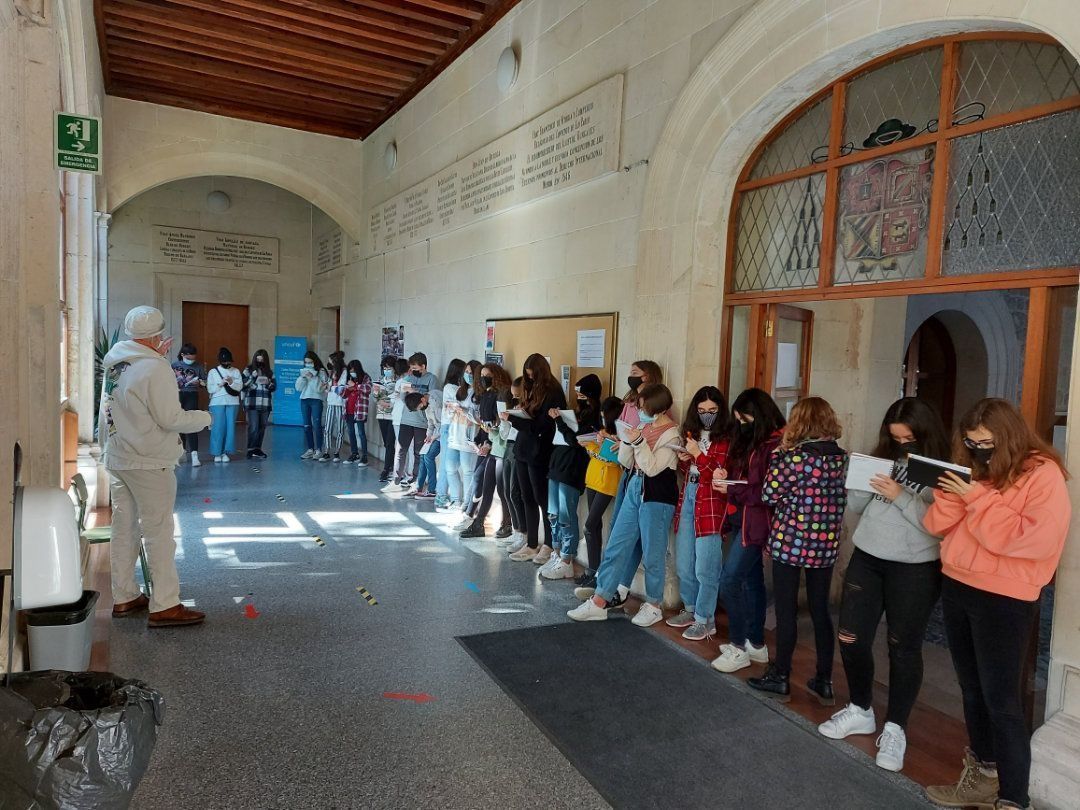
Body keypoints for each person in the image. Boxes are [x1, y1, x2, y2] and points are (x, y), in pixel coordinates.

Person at [923, 398, 1070, 810]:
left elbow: (1031, 541)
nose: (977, 450)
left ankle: (1013, 798)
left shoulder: (1043, 474)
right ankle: (983, 777)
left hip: (1005, 598)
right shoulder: (973, 469)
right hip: (957, 586)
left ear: (1007, 437)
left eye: (985, 443)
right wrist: (951, 492)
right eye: (970, 443)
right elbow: (934, 525)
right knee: (971, 690)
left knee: (1003, 700)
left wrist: (977, 499)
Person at [818, 398, 949, 773]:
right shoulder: (884, 456)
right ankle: (860, 707)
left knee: (902, 646)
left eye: (909, 437)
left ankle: (896, 727)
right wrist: (860, 481)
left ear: (925, 433)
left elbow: (940, 523)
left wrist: (901, 496)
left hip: (916, 566)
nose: (902, 443)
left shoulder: (943, 470)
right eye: (895, 438)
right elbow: (857, 507)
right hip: (868, 556)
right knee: (851, 636)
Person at [99, 305, 209, 627]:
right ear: (159, 336)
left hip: (118, 456)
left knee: (124, 529)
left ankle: (125, 596)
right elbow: (170, 418)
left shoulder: (116, 362)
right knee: (159, 532)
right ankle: (164, 604)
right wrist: (205, 418)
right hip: (148, 461)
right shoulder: (155, 368)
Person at [748, 397, 847, 703]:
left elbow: (769, 493)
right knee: (821, 612)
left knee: (786, 610)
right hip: (825, 545)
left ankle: (780, 676)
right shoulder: (842, 458)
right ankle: (824, 680)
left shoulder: (793, 459)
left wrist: (779, 456)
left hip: (791, 541)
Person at [567, 383, 679, 626]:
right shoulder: (642, 426)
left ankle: (654, 604)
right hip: (633, 487)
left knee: (653, 552)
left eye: (644, 407)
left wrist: (638, 442)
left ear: (658, 408)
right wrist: (628, 441)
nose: (640, 412)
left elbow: (652, 468)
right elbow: (626, 461)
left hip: (657, 496)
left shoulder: (672, 434)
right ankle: (600, 600)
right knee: (617, 543)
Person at [711, 387, 785, 673]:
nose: (741, 425)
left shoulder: (775, 446)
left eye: (745, 419)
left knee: (729, 581)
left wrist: (732, 489)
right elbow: (744, 477)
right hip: (741, 518)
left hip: (757, 523)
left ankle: (739, 645)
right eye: (738, 420)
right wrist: (725, 478)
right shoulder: (751, 440)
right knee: (752, 582)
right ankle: (756, 643)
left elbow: (767, 492)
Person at [667, 386, 731, 641]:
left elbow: (718, 473)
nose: (706, 415)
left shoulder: (726, 438)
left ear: (720, 411)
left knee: (706, 566)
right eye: (702, 410)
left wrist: (697, 456)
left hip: (712, 502)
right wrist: (685, 456)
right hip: (689, 495)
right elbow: (689, 469)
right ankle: (691, 608)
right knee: (684, 561)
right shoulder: (692, 433)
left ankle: (706, 619)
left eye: (712, 411)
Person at [505, 355, 567, 564]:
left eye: (533, 375)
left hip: (540, 451)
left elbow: (542, 426)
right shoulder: (529, 388)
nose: (530, 378)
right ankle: (532, 543)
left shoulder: (553, 391)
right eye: (527, 375)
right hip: (524, 448)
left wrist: (513, 419)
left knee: (543, 499)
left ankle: (549, 543)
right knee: (526, 497)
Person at [540, 374, 602, 580]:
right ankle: (557, 553)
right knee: (553, 513)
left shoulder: (594, 417)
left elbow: (575, 441)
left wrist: (560, 421)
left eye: (582, 394)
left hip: (572, 469)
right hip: (557, 465)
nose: (578, 397)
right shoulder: (576, 413)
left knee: (567, 515)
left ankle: (567, 557)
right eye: (576, 393)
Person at [572, 396, 625, 593]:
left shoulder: (621, 437)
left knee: (589, 526)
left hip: (607, 483)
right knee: (595, 527)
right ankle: (592, 571)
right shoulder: (603, 432)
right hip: (593, 479)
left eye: (605, 416)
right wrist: (592, 444)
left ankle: (596, 571)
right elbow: (595, 453)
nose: (602, 419)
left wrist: (597, 449)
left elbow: (612, 460)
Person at [459, 363, 513, 536]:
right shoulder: (485, 395)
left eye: (487, 375)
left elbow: (501, 423)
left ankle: (507, 523)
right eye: (481, 375)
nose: (483, 378)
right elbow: (485, 423)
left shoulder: (502, 394)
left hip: (500, 447)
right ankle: (478, 523)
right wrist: (482, 441)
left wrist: (489, 440)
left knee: (502, 490)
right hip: (489, 443)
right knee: (487, 484)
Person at [397, 353, 440, 493]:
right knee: (401, 449)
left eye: (416, 368)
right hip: (407, 419)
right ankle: (396, 478)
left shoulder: (432, 379)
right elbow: (404, 398)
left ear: (423, 366)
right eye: (411, 368)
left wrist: (414, 392)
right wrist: (409, 396)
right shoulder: (408, 378)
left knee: (418, 452)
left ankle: (415, 479)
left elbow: (431, 399)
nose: (413, 370)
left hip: (423, 422)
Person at [448, 360, 483, 512]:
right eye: (466, 373)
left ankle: (468, 504)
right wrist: (450, 408)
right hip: (454, 434)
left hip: (469, 438)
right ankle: (455, 499)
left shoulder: (479, 394)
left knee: (468, 471)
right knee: (450, 468)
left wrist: (464, 411)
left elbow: (480, 417)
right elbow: (450, 414)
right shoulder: (460, 391)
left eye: (471, 373)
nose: (468, 376)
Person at [434, 359, 467, 512]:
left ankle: (446, 496)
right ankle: (441, 496)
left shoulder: (454, 387)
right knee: (448, 465)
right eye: (465, 372)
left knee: (451, 465)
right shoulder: (450, 387)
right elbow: (460, 402)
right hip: (449, 427)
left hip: (455, 427)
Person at [501, 377, 529, 552]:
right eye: (514, 397)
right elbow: (505, 434)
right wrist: (505, 420)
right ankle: (516, 528)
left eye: (518, 395)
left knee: (514, 491)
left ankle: (523, 532)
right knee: (506, 491)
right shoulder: (515, 407)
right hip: (509, 446)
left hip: (520, 448)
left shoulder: (529, 410)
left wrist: (517, 418)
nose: (516, 399)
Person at [206, 347, 242, 463]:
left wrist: (231, 382)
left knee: (230, 427)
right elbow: (210, 389)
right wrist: (220, 384)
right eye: (225, 362)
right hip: (217, 402)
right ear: (220, 361)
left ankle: (226, 452)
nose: (227, 364)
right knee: (217, 427)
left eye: (229, 362)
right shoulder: (213, 372)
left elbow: (240, 387)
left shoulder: (236, 371)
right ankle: (217, 452)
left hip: (233, 401)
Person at [172, 343, 206, 466]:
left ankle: (194, 454)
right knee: (179, 423)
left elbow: (205, 382)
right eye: (189, 358)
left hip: (192, 394)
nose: (192, 361)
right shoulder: (174, 366)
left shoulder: (199, 366)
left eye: (193, 358)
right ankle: (181, 452)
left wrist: (200, 383)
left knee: (191, 423)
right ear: (182, 355)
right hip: (178, 395)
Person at [404, 389, 441, 498]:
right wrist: (428, 435)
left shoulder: (436, 403)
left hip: (443, 434)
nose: (421, 409)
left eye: (420, 407)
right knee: (423, 455)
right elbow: (431, 423)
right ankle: (418, 487)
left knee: (429, 456)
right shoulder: (427, 405)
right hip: (435, 434)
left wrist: (433, 437)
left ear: (422, 399)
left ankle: (432, 490)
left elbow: (444, 423)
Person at [383, 357, 412, 490]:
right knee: (406, 449)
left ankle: (400, 475)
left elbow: (397, 398)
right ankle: (404, 475)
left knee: (400, 448)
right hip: (402, 418)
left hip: (397, 417)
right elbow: (404, 398)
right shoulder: (406, 381)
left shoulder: (400, 381)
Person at [242, 349, 275, 460]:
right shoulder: (248, 369)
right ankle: (250, 449)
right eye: (258, 359)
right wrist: (252, 377)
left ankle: (258, 448)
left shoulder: (269, 372)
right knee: (254, 426)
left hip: (265, 403)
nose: (260, 361)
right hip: (252, 403)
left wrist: (269, 383)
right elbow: (243, 386)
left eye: (262, 359)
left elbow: (274, 387)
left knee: (262, 427)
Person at [296, 350, 328, 460]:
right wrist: (303, 378)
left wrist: (313, 377)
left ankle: (318, 449)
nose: (308, 364)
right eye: (306, 362)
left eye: (310, 362)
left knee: (317, 425)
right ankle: (310, 449)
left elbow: (319, 389)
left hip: (316, 400)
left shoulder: (321, 371)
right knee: (306, 425)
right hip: (304, 400)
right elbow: (298, 388)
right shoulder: (303, 372)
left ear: (315, 361)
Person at [343, 360, 372, 466]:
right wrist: (346, 388)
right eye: (350, 371)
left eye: (353, 370)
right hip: (349, 409)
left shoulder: (365, 377)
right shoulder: (349, 378)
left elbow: (368, 389)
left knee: (361, 433)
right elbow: (343, 394)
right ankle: (354, 454)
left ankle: (365, 456)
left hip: (360, 410)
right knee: (350, 432)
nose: (352, 372)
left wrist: (355, 385)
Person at [373, 356, 397, 482]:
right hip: (381, 414)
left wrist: (388, 402)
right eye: (385, 368)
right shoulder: (380, 380)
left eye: (389, 368)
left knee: (389, 442)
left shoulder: (399, 381)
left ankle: (386, 469)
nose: (387, 370)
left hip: (393, 415)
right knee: (386, 442)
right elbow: (375, 398)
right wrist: (376, 395)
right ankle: (390, 466)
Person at [322, 350, 348, 462]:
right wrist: (328, 387)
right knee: (327, 427)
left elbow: (340, 389)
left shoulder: (344, 371)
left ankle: (337, 452)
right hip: (330, 402)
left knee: (340, 429)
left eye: (330, 361)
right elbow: (331, 387)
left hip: (340, 403)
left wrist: (331, 388)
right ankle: (326, 451)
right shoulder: (332, 372)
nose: (329, 363)